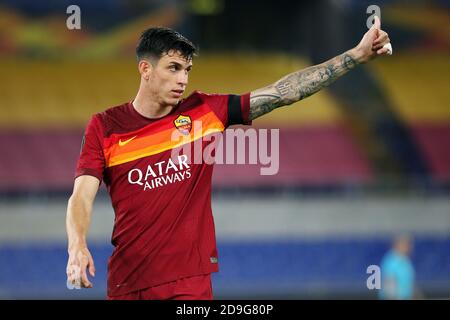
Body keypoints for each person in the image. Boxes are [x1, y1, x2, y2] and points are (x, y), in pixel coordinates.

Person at [66, 17, 392, 300]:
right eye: (174, 68)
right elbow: (81, 195)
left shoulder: (204, 111)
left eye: (187, 70)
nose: (183, 79)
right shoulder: (106, 126)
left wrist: (356, 55)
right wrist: (77, 245)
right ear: (146, 69)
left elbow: (284, 92)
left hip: (188, 282)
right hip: (127, 283)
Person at [379, 235, 417, 300]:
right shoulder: (391, 262)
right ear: (398, 245)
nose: (410, 247)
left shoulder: (406, 261)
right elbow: (389, 288)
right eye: (406, 244)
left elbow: (408, 282)